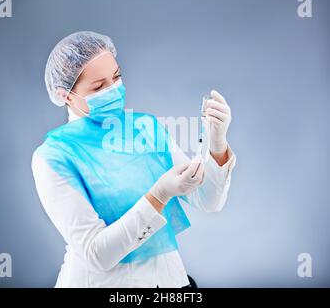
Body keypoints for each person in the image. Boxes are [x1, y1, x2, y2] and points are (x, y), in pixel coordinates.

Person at [31, 31, 237, 288]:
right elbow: (98, 253)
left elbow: (208, 200)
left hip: (170, 281)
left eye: (116, 77)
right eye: (98, 87)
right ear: (66, 95)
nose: (114, 89)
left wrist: (216, 144)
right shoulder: (53, 157)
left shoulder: (145, 129)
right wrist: (159, 195)